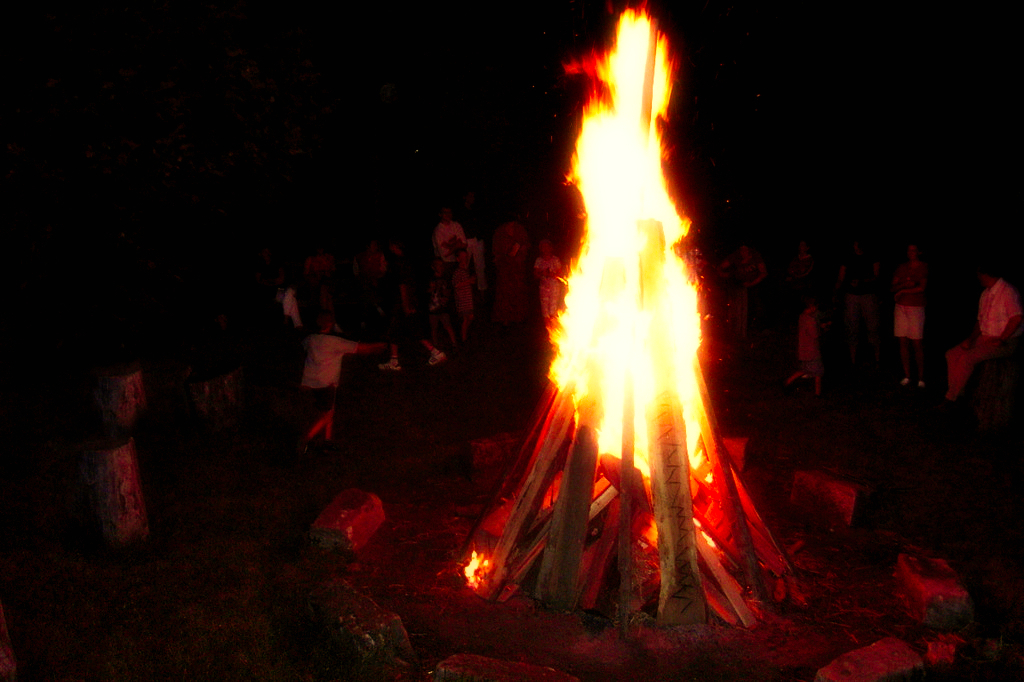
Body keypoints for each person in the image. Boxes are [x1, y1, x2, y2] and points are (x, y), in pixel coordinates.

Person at [297, 310, 385, 454]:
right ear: (330, 324)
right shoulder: (334, 342)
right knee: (327, 416)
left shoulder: (311, 339)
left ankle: (327, 441)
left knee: (329, 410)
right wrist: (378, 346)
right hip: (327, 383)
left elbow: (303, 346)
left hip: (310, 382)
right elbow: (360, 348)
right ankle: (306, 438)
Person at [942, 266, 1022, 407]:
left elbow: (1016, 318)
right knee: (952, 354)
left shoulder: (1008, 292)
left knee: (967, 358)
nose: (978, 278)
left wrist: (1002, 339)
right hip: (985, 337)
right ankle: (957, 392)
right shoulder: (986, 293)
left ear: (986, 274)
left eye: (979, 274)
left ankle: (950, 399)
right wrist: (971, 339)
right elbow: (980, 321)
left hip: (1005, 340)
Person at [378, 238, 448, 371]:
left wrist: (406, 304)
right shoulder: (405, 262)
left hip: (403, 302)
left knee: (410, 329)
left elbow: (403, 284)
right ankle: (394, 360)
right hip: (406, 301)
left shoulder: (400, 263)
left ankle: (435, 353)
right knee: (397, 330)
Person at [835, 239, 881, 368]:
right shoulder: (848, 257)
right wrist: (836, 291)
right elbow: (841, 276)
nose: (855, 247)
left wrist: (862, 281)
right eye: (854, 244)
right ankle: (853, 361)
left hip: (868, 295)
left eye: (857, 244)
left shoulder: (872, 256)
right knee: (851, 327)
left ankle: (876, 358)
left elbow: (877, 276)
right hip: (851, 296)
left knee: (873, 326)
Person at [891, 244, 928, 388]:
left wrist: (904, 291)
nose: (910, 252)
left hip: (916, 307)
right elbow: (893, 287)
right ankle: (907, 375)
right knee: (902, 341)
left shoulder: (923, 267)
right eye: (908, 250)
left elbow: (921, 287)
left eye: (913, 250)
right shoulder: (902, 267)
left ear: (919, 251)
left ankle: (921, 377)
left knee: (917, 342)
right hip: (901, 307)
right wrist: (903, 286)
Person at [718, 243, 767, 339]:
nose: (743, 252)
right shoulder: (735, 256)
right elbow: (722, 267)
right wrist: (724, 274)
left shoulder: (755, 256)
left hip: (754, 285)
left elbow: (764, 273)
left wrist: (751, 284)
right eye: (741, 250)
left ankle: (753, 331)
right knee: (736, 308)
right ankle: (736, 332)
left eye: (745, 250)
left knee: (755, 306)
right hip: (739, 286)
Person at [492, 216, 531, 325]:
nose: (511, 226)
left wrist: (519, 248)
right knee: (504, 292)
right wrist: (504, 255)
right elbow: (496, 251)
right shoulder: (499, 231)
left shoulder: (520, 229)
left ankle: (519, 316)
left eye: (512, 224)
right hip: (504, 267)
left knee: (518, 291)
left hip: (518, 267)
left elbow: (526, 245)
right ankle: (505, 318)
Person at [785, 295, 826, 396]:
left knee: (805, 369)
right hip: (812, 350)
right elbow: (815, 334)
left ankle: (788, 381)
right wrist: (822, 329)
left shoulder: (802, 317)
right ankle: (818, 393)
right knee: (818, 372)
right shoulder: (810, 321)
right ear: (812, 307)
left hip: (804, 349)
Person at [457, 191, 488, 293]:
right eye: (470, 196)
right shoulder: (461, 211)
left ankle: (482, 289)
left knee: (480, 266)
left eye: (473, 196)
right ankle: (463, 288)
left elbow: (482, 225)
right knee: (464, 264)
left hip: (477, 240)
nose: (472, 198)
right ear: (465, 197)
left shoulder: (476, 209)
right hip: (467, 240)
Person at [427, 257, 458, 351]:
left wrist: (446, 296)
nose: (440, 267)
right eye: (438, 265)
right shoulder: (431, 279)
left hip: (443, 307)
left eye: (441, 265)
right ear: (433, 267)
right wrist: (431, 289)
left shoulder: (446, 278)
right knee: (434, 327)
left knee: (448, 325)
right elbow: (426, 291)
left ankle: (454, 344)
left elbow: (449, 291)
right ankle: (435, 346)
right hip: (433, 307)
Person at [534, 238, 565, 321]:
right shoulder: (539, 261)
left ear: (551, 248)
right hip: (544, 288)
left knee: (553, 309)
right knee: (545, 310)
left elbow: (560, 274)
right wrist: (542, 273)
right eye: (543, 247)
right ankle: (548, 329)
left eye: (547, 247)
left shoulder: (555, 260)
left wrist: (553, 274)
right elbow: (535, 274)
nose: (545, 249)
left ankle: (553, 328)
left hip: (554, 287)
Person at [452, 248, 476, 342]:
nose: (464, 259)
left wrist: (472, 280)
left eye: (465, 257)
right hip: (462, 299)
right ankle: (463, 339)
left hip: (468, 298)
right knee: (465, 319)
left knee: (470, 317)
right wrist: (469, 281)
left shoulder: (466, 270)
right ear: (458, 259)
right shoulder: (457, 272)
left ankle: (464, 335)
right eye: (462, 257)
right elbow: (456, 285)